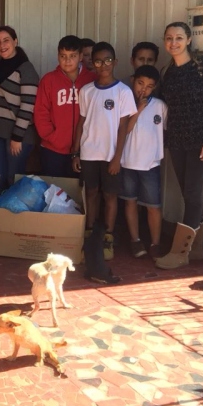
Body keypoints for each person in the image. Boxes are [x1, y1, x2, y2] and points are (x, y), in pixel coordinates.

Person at [158, 21, 203, 269]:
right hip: (177, 141)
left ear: (188, 40)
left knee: (193, 194)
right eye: (169, 38)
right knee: (187, 193)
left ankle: (180, 253)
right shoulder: (167, 72)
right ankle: (195, 250)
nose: (173, 42)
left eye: (178, 38)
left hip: (200, 142)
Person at [71, 42, 137, 259]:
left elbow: (123, 127)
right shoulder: (87, 91)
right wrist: (76, 152)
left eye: (108, 60)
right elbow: (81, 123)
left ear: (115, 62)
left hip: (111, 155)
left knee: (110, 195)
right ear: (92, 64)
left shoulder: (123, 92)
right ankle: (90, 233)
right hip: (89, 153)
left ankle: (108, 236)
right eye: (98, 61)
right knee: (91, 192)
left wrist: (117, 158)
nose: (103, 65)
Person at [119, 65, 167, 260]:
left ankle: (155, 243)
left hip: (150, 164)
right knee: (130, 202)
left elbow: (166, 131)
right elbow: (124, 130)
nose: (143, 89)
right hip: (127, 162)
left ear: (154, 88)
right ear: (133, 80)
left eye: (149, 86)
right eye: (140, 83)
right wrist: (138, 110)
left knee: (153, 205)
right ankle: (135, 240)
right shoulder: (125, 102)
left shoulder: (160, 106)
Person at [0, 26, 40, 198]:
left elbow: (28, 105)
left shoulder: (26, 69)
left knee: (13, 178)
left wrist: (17, 137)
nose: (2, 45)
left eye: (6, 40)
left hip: (17, 135)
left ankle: (13, 214)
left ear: (15, 41)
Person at [33, 35, 96, 178]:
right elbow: (41, 112)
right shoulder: (49, 80)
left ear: (80, 56)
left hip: (84, 149)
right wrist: (53, 137)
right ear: (58, 56)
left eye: (72, 56)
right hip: (52, 149)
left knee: (79, 189)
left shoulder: (92, 80)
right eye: (63, 56)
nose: (67, 61)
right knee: (54, 189)